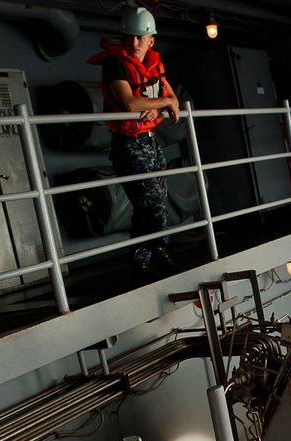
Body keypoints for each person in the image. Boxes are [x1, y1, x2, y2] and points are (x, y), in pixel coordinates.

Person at [88, 7, 180, 283]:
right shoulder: (114, 64)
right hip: (128, 145)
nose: (134, 42)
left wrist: (162, 105)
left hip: (151, 143)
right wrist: (162, 103)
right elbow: (130, 103)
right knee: (151, 205)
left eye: (140, 37)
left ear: (151, 40)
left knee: (156, 203)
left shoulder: (155, 65)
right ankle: (157, 253)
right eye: (129, 36)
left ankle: (141, 262)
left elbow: (174, 102)